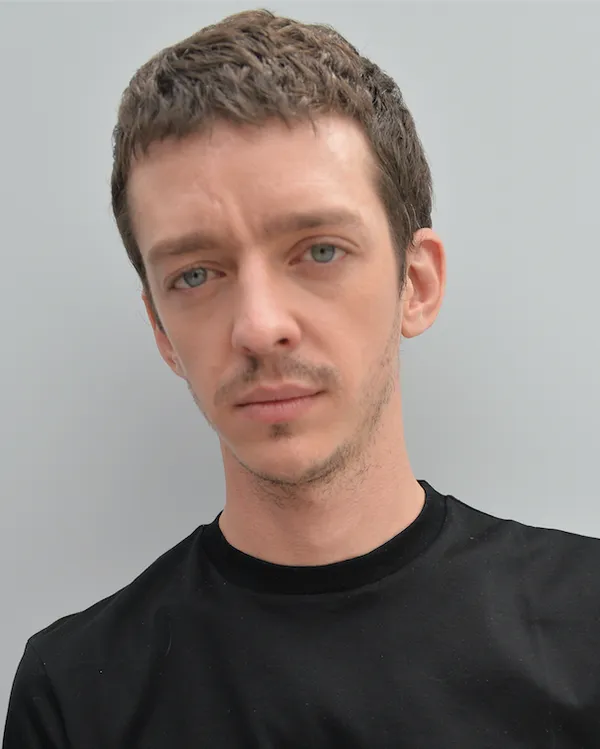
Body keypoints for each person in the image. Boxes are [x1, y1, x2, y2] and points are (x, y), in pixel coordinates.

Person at [4, 8, 600, 748]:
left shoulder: (587, 625)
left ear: (416, 284)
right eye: (196, 274)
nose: (259, 326)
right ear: (160, 329)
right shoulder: (74, 695)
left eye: (320, 251)